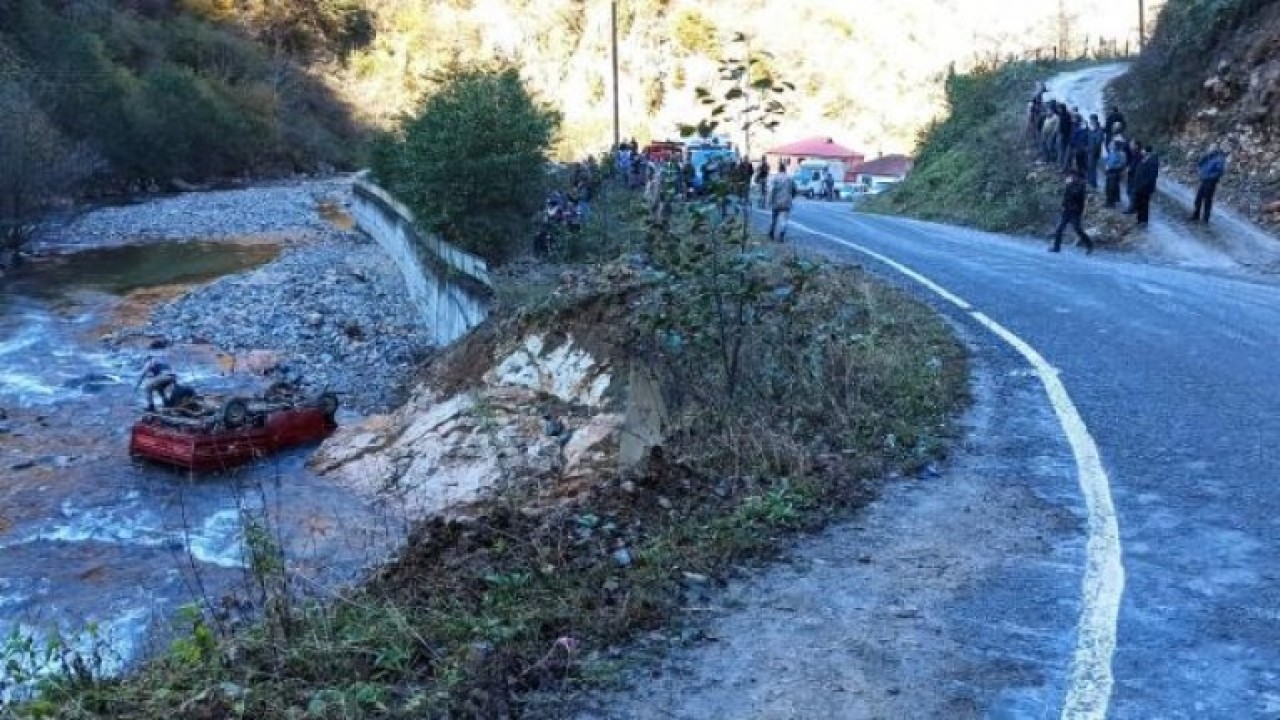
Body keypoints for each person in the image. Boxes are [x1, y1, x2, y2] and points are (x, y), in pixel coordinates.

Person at [1051, 169, 1094, 254]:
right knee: (1059, 229)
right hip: (1067, 210)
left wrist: (1069, 185)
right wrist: (1063, 205)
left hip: (1075, 211)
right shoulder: (1070, 185)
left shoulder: (1081, 186)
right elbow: (1066, 196)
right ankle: (1056, 247)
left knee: (1078, 229)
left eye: (1073, 176)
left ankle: (1089, 245)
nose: (1072, 177)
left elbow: (1077, 194)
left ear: (1077, 177)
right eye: (1071, 176)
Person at [1191, 144, 1227, 223]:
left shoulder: (1220, 158)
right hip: (1204, 179)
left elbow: (1219, 172)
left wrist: (1209, 177)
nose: (1210, 148)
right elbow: (1200, 163)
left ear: (1216, 149)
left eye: (1212, 147)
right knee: (1198, 198)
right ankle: (1196, 215)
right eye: (1210, 147)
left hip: (1211, 181)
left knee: (1207, 200)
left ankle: (1205, 219)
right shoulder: (1209, 156)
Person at [1131, 144, 1160, 226]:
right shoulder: (1144, 158)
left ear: (1147, 151)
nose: (1141, 151)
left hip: (1145, 187)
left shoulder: (1152, 161)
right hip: (1140, 185)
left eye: (1143, 150)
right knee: (1140, 202)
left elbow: (1152, 176)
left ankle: (1143, 220)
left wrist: (1143, 184)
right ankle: (1139, 219)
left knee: (1144, 203)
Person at [767, 161, 796, 242]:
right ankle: (781, 235)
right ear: (785, 169)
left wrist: (769, 200)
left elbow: (771, 190)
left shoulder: (775, 178)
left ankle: (771, 234)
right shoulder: (790, 178)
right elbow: (794, 189)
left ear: (778, 169)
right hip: (786, 202)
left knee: (774, 219)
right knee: (784, 220)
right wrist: (791, 197)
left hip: (776, 201)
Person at [1103, 139, 1127, 208]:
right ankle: (1108, 202)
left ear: (1115, 146)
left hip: (1114, 173)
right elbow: (1107, 160)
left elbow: (1122, 164)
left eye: (1112, 144)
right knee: (1108, 187)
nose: (1110, 145)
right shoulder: (1111, 152)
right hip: (1109, 172)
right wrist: (1106, 165)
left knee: (1112, 188)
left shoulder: (1121, 154)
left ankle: (1111, 203)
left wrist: (1111, 167)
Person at [1085, 114, 1105, 189]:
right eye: (1090, 120)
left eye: (1092, 120)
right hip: (1089, 151)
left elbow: (1099, 142)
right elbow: (1088, 138)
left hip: (1094, 152)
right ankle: (1089, 181)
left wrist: (1092, 148)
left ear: (1095, 120)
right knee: (1089, 166)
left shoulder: (1099, 130)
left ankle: (1093, 184)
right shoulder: (1091, 129)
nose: (1091, 121)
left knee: (1092, 167)